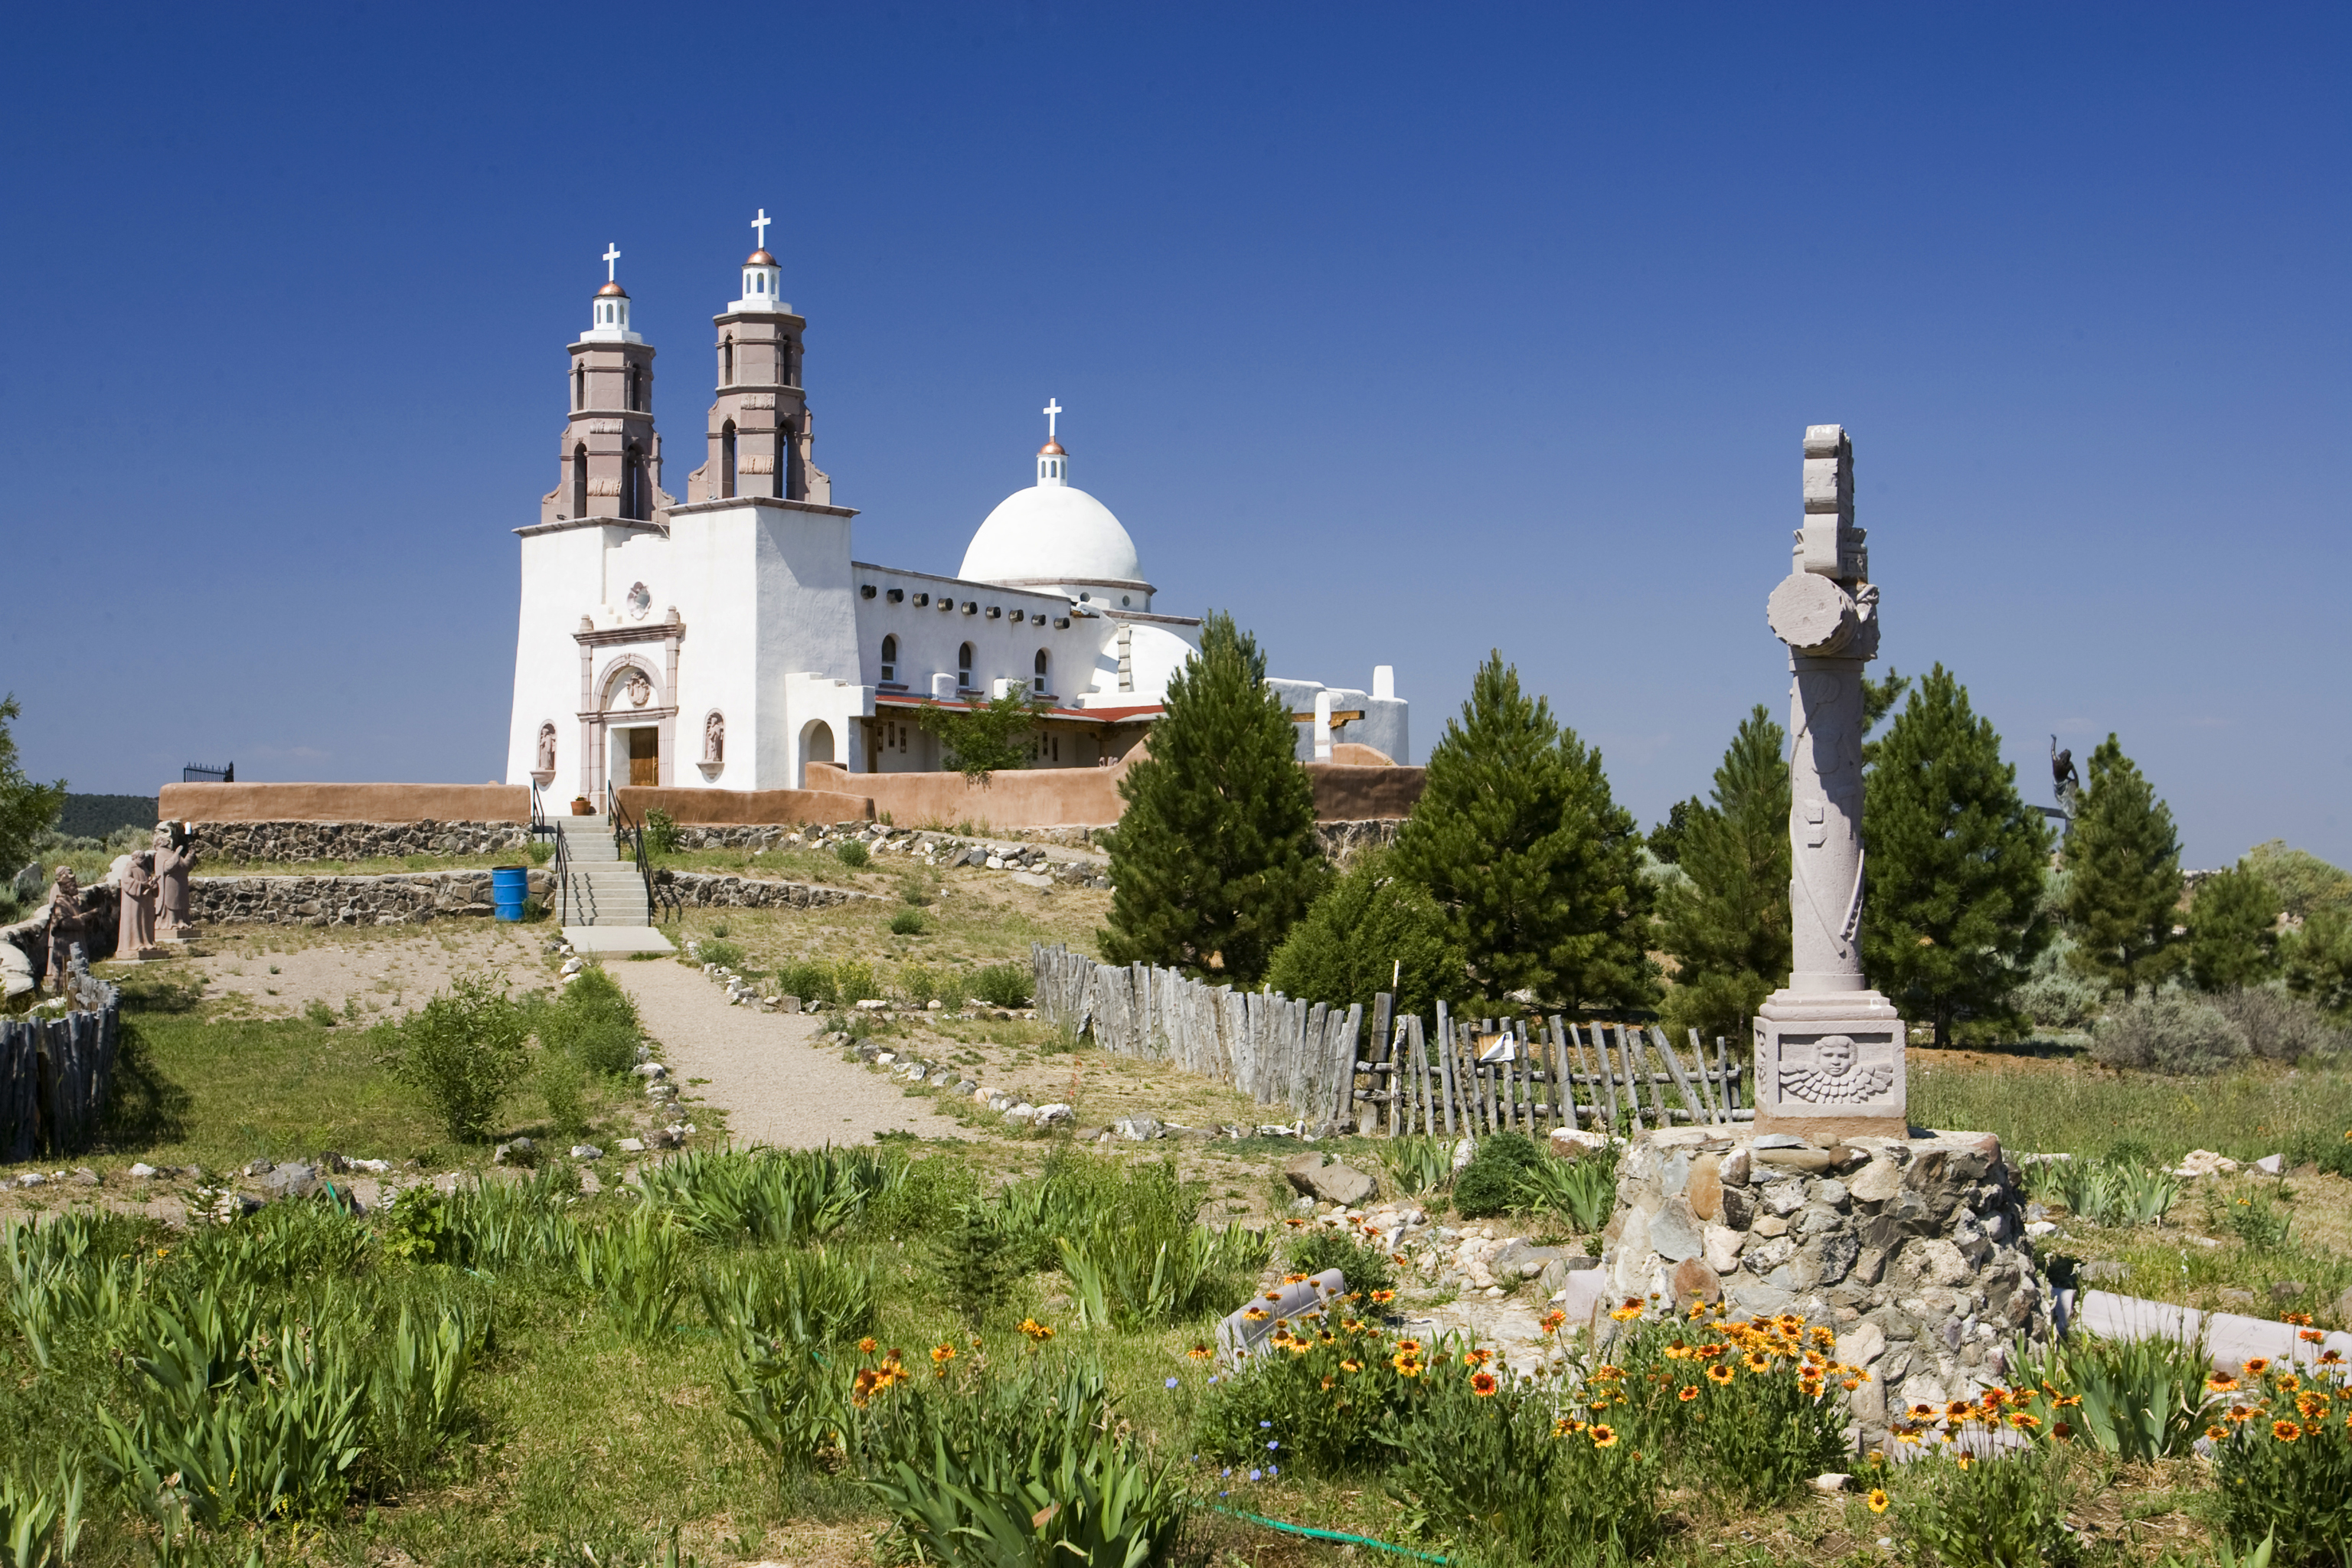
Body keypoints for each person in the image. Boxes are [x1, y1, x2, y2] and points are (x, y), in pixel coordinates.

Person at [44, 867, 84, 994]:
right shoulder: (59, 894)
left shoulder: (70, 898)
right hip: (64, 933)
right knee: (62, 961)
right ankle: (61, 987)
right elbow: (58, 913)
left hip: (73, 933)